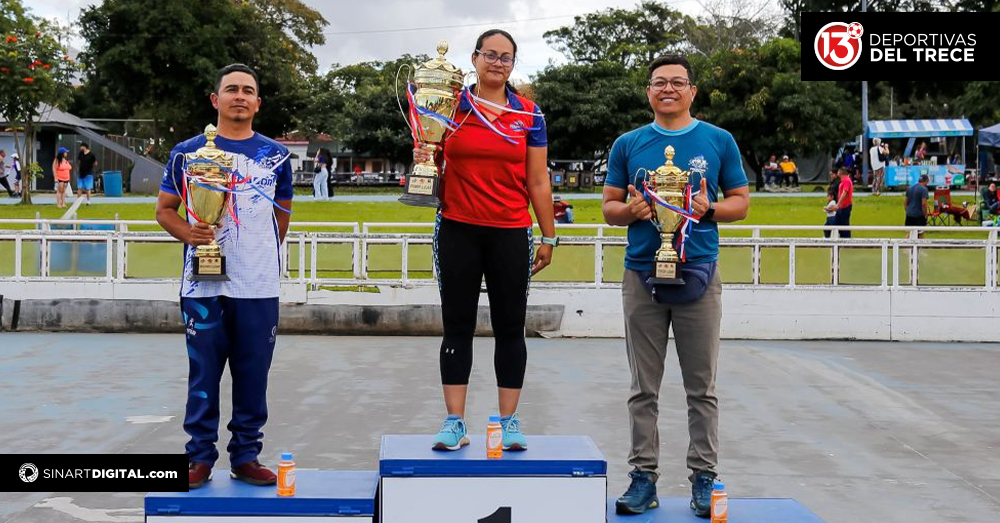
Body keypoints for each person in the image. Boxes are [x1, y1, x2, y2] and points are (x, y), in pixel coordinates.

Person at [602, 55, 749, 517]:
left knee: (700, 387)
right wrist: (631, 211)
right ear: (649, 91)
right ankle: (643, 478)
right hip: (641, 273)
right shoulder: (629, 144)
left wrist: (708, 209)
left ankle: (704, 478)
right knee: (642, 387)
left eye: (677, 82)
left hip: (699, 274)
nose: (668, 89)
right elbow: (609, 204)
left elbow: (741, 203)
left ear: (692, 91)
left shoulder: (718, 140)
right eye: (659, 82)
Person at [415, 29, 555, 453]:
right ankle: (454, 422)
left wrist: (548, 234)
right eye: (490, 55)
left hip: (511, 231)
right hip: (458, 227)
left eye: (506, 57)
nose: (497, 62)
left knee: (511, 326)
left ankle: (508, 421)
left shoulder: (529, 115)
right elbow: (431, 161)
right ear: (474, 59)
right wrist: (423, 157)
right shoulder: (449, 104)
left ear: (514, 64)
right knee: (457, 325)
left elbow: (537, 179)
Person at [154, 63, 293, 490]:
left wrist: (255, 251)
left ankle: (246, 456)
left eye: (247, 91)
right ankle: (198, 458)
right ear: (215, 100)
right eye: (230, 89)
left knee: (254, 373)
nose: (239, 96)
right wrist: (193, 236)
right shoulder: (187, 152)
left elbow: (282, 215)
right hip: (203, 285)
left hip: (257, 284)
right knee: (204, 372)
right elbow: (164, 211)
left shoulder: (276, 156)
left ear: (257, 103)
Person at [832, 161, 854, 238]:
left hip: (845, 206)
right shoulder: (843, 181)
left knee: (844, 225)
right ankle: (840, 240)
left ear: (841, 173)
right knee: (836, 223)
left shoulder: (846, 181)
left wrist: (838, 205)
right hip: (841, 206)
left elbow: (844, 193)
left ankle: (847, 241)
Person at [823, 169, 841, 238]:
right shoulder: (833, 182)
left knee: (833, 227)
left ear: (836, 174)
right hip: (833, 202)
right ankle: (827, 238)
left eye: (832, 174)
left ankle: (831, 239)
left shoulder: (837, 182)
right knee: (827, 227)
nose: (831, 176)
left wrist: (826, 208)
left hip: (835, 202)